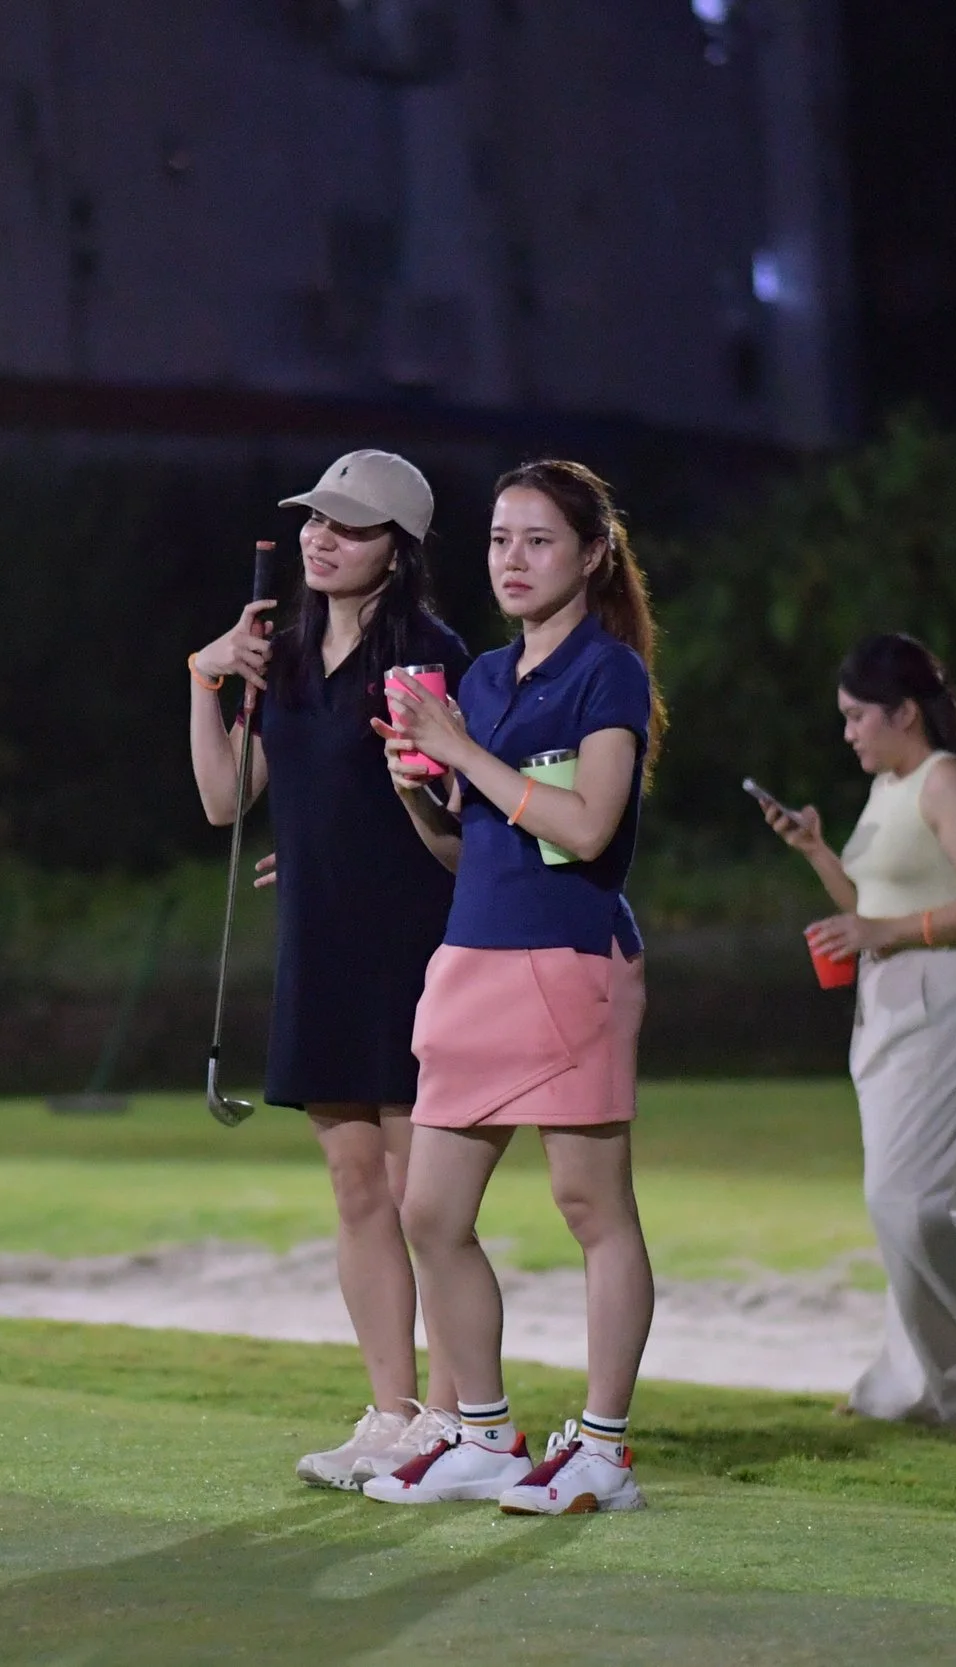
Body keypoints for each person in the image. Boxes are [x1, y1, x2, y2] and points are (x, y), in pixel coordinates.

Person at [360, 460, 664, 1515]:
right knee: (428, 1209)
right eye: (498, 539)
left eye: (538, 540)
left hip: (569, 963)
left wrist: (459, 752)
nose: (514, 559)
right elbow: (470, 853)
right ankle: (484, 1433)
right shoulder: (485, 679)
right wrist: (419, 792)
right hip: (471, 959)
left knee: (591, 1206)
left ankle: (605, 1449)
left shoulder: (606, 671)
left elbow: (584, 826)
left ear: (591, 554)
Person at [187, 449, 473, 1489]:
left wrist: (350, 843)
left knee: (416, 1191)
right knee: (357, 1186)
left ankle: (452, 1416)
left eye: (348, 527)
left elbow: (448, 809)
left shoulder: (427, 654)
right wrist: (206, 674)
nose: (321, 538)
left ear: (396, 551)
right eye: (315, 520)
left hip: (412, 941)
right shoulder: (288, 656)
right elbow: (227, 800)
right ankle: (388, 1411)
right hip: (318, 942)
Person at [757, 633, 956, 1440]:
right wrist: (816, 848)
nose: (849, 732)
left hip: (946, 992)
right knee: (909, 1204)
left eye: (859, 716)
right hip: (887, 1001)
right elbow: (869, 901)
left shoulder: (944, 780)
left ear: (903, 711)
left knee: (908, 1203)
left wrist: (890, 931)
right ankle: (937, 1382)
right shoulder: (890, 785)